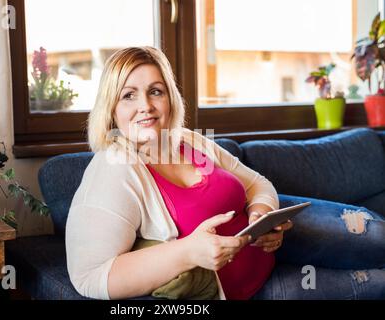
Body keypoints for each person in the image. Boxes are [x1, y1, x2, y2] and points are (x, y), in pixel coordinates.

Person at [65, 46, 385, 300]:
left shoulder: (189, 141)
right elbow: (89, 277)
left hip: (283, 241)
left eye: (156, 91)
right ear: (111, 108)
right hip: (256, 290)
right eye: (128, 95)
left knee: (375, 234)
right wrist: (188, 251)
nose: (146, 105)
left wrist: (262, 215)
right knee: (377, 283)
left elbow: (257, 183)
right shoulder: (114, 170)